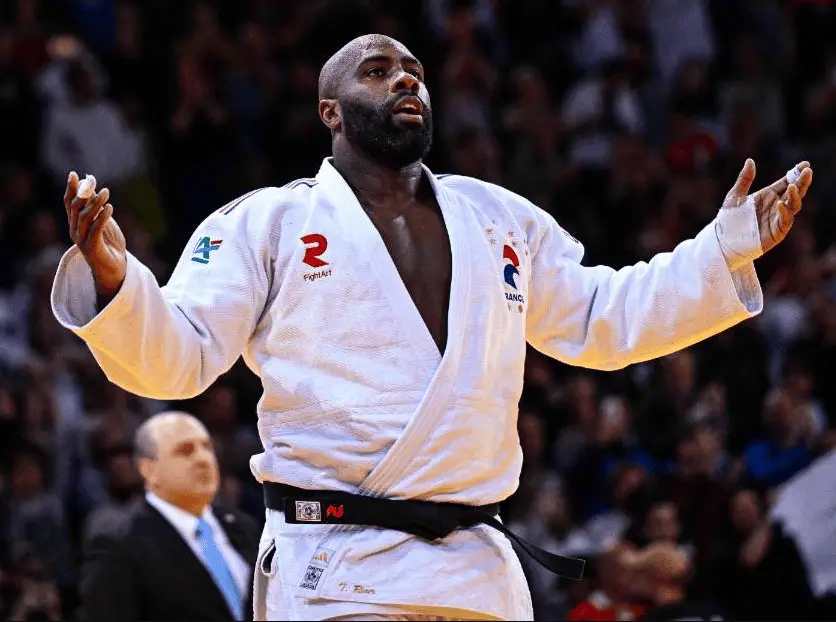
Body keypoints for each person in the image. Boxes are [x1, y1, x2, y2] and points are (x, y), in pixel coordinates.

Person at [51, 33, 813, 621]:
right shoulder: (269, 223)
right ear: (332, 111)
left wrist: (724, 249)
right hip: (336, 568)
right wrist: (119, 282)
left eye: (413, 69)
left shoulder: (499, 219)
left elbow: (603, 319)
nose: (405, 78)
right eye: (377, 72)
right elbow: (177, 362)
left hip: (473, 569)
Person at [80, 412, 259, 621]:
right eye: (185, 451)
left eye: (207, 447)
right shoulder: (118, 543)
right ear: (149, 469)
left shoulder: (242, 526)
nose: (203, 459)